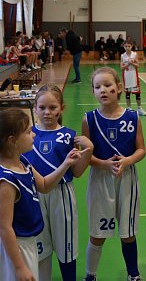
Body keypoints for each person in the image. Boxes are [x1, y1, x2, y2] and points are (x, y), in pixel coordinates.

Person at [0, 108, 84, 281]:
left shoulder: (23, 162)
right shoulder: (6, 181)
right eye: (29, 132)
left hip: (30, 243)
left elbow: (44, 185)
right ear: (12, 141)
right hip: (16, 248)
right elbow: (4, 227)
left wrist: (66, 163)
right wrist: (19, 267)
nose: (33, 135)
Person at [22, 84, 93, 281]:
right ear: (35, 108)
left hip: (62, 195)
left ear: (62, 108)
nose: (47, 112)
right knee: (40, 246)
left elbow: (77, 173)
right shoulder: (27, 136)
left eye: (52, 108)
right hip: (34, 195)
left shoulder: (69, 136)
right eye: (42, 107)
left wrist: (89, 151)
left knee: (66, 246)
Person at [82, 67, 146, 281]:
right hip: (100, 179)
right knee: (97, 235)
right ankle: (90, 275)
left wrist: (127, 161)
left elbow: (141, 150)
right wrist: (103, 164)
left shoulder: (133, 116)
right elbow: (86, 156)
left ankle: (133, 274)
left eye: (108, 85)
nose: (103, 90)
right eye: (98, 86)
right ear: (93, 91)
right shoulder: (89, 119)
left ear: (119, 88)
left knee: (128, 233)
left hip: (127, 178)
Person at [121, 41, 146, 116]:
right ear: (124, 47)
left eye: (129, 46)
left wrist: (132, 63)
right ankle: (129, 108)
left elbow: (138, 65)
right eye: (126, 46)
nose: (127, 48)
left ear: (131, 46)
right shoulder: (123, 56)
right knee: (127, 93)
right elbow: (122, 68)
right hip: (126, 76)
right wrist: (128, 64)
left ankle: (139, 108)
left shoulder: (134, 54)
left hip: (134, 76)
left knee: (137, 93)